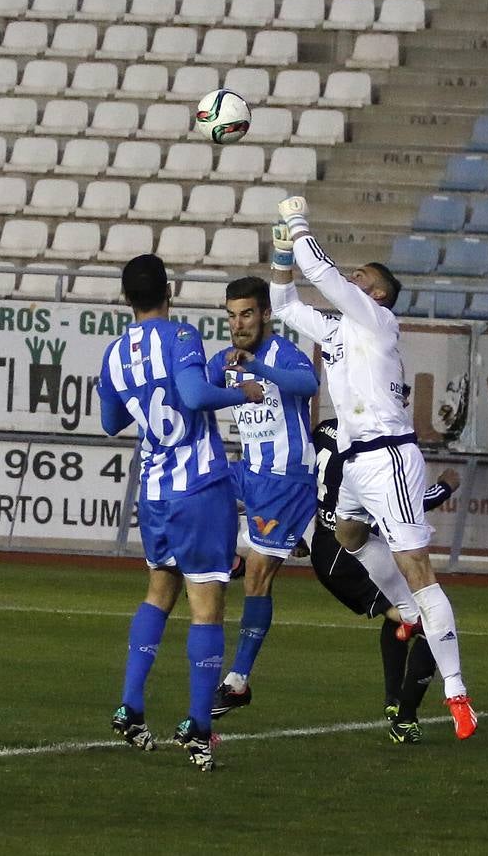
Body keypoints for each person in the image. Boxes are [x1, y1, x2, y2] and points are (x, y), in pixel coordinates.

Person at [269, 198, 477, 740]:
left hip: (388, 455)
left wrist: (298, 221)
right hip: (358, 462)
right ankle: (408, 616)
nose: (351, 278)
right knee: (349, 533)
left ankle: (456, 692)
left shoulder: (378, 320)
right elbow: (284, 303)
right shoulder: (340, 331)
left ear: (378, 294)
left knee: (416, 566)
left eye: (361, 276)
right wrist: (279, 252)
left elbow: (319, 270)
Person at [98, 254, 264, 771]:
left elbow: (109, 421)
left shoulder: (114, 353)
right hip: (198, 487)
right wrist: (241, 391)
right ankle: (197, 724)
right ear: (168, 291)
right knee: (207, 604)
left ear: (127, 298)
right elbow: (193, 393)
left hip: (153, 491)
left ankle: (130, 705)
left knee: (158, 593)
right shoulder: (181, 337)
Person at [206, 276, 319, 718]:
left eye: (247, 313)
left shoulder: (282, 354)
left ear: (267, 314)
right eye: (232, 315)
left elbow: (308, 387)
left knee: (258, 575)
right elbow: (195, 385)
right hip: (248, 471)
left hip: (283, 478)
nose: (239, 323)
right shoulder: (228, 358)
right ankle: (244, 551)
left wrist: (258, 369)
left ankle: (237, 681)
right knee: (197, 489)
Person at [311, 415, 460, 744]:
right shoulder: (371, 443)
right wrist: (446, 486)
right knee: (431, 625)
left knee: (401, 613)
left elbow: (304, 480)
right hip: (350, 552)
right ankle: (405, 719)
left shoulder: (324, 429)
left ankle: (394, 701)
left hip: (326, 547)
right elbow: (401, 504)